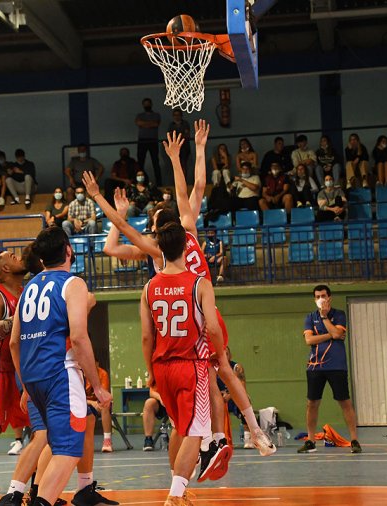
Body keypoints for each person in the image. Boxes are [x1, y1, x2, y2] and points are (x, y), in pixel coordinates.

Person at [82, 124, 276, 478]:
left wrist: (103, 201)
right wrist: (191, 152)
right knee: (220, 374)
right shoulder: (189, 231)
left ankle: (212, 445)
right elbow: (193, 188)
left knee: (204, 390)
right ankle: (246, 431)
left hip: (179, 331)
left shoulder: (157, 251)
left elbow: (120, 236)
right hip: (203, 317)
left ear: (159, 231)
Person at [4, 226, 111, 506]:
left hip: (32, 375)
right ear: (68, 250)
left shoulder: (28, 287)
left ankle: (32, 496)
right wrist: (97, 387)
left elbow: (14, 342)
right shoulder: (72, 283)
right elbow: (77, 336)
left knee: (55, 443)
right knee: (68, 449)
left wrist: (26, 384)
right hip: (60, 374)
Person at [140, 221, 225, 505]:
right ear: (188, 247)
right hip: (190, 365)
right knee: (196, 431)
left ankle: (179, 487)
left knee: (180, 426)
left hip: (162, 368)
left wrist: (151, 371)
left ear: (160, 249)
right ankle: (175, 495)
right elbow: (213, 328)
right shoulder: (200, 283)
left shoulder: (149, 286)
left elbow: (146, 337)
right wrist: (221, 354)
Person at [298, 285, 362, 455]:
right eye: (317, 296)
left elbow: (338, 332)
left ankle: (354, 440)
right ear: (314, 299)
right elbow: (309, 340)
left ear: (329, 297)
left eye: (323, 296)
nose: (321, 299)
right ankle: (311, 441)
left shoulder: (339, 314)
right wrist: (331, 335)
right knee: (312, 403)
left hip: (336, 366)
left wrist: (325, 318)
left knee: (345, 403)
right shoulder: (309, 318)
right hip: (315, 367)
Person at [0, 250, 31, 457]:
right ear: (5, 268)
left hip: (22, 367)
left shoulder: (26, 292)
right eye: (12, 256)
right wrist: (19, 319)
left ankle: (33, 485)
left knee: (38, 430)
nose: (18, 257)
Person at [216, 347, 250, 448]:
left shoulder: (236, 368)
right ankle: (214, 439)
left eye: (226, 354)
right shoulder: (212, 368)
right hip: (218, 398)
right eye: (222, 354)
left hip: (233, 397)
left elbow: (242, 388)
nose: (224, 357)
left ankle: (249, 437)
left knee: (246, 399)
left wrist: (229, 395)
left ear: (230, 355)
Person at [85, 360, 113, 452]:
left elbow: (103, 394)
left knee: (105, 406)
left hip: (99, 404)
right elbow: (76, 397)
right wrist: (91, 403)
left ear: (97, 363)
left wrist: (98, 403)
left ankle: (107, 440)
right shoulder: (80, 374)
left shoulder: (103, 374)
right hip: (85, 404)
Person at [135, 98, 162, 186]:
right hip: (142, 140)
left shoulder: (156, 115)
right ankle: (140, 183)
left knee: (155, 162)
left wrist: (144, 124)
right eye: (145, 104)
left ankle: (159, 183)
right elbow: (138, 123)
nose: (147, 105)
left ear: (151, 104)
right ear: (143, 105)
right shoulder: (140, 115)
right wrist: (150, 124)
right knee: (140, 162)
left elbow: (156, 124)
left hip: (153, 140)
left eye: (148, 104)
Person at [166, 110, 191, 182]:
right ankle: (177, 182)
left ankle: (184, 181)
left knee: (183, 164)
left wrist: (178, 136)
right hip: (174, 148)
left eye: (178, 115)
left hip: (184, 147)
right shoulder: (171, 125)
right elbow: (170, 136)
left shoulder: (185, 123)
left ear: (181, 115)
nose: (177, 116)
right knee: (176, 165)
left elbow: (187, 135)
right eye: (175, 115)